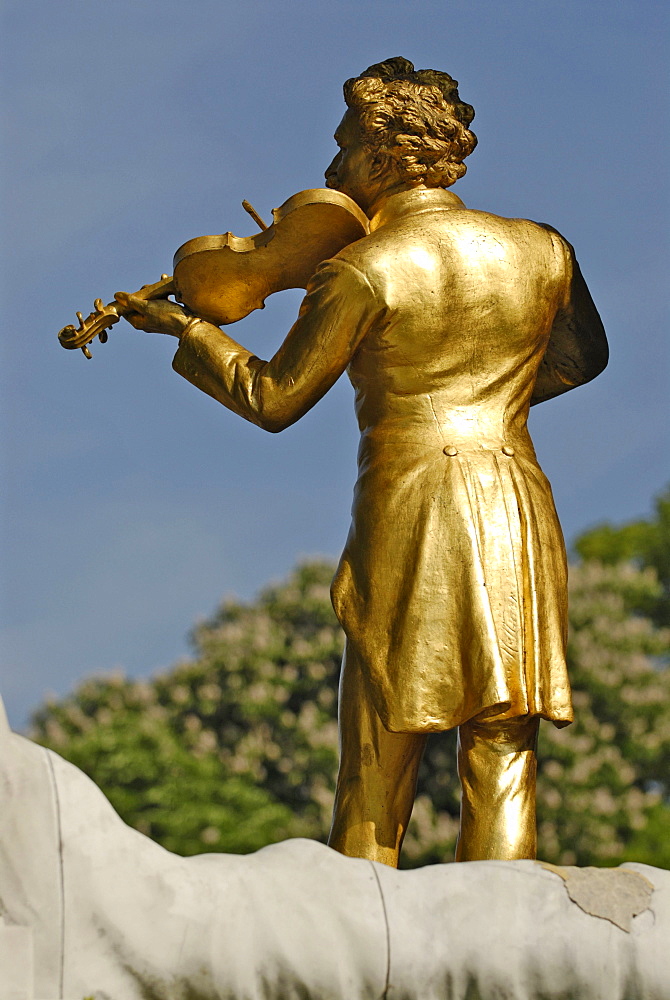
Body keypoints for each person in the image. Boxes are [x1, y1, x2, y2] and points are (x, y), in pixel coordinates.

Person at [115, 57, 608, 868]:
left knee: (380, 745)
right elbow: (580, 359)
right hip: (516, 496)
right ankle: (505, 956)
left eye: (342, 152)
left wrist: (187, 332)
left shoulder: (363, 269)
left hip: (413, 502)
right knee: (502, 743)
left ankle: (367, 948)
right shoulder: (544, 250)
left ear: (382, 159)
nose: (329, 171)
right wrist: (494, 402)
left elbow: (273, 399)